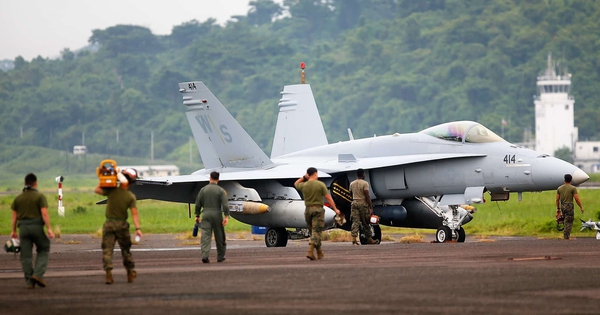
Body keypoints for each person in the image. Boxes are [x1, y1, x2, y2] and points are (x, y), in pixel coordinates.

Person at [94, 168, 142, 284]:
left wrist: (104, 179)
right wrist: (138, 229)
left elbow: (97, 190)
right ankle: (130, 273)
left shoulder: (112, 191)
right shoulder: (130, 196)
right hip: (122, 226)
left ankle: (109, 274)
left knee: (107, 250)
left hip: (109, 225)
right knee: (125, 250)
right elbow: (134, 213)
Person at [10, 173, 55, 289]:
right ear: (35, 183)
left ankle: (29, 281)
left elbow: (14, 216)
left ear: (25, 183)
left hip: (23, 229)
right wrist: (49, 229)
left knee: (25, 256)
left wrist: (13, 231)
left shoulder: (18, 198)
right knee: (44, 247)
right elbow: (44, 213)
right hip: (36, 227)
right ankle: (38, 274)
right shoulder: (39, 197)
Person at [294, 167, 341, 260]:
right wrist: (335, 209)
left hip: (307, 210)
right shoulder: (320, 185)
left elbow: (296, 184)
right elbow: (328, 197)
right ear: (315, 173)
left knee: (313, 232)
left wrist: (304, 177)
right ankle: (310, 251)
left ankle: (319, 252)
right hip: (318, 210)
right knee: (316, 232)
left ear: (308, 174)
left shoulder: (304, 185)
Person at [195, 171, 229, 263]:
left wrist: (197, 215)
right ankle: (220, 256)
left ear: (210, 178)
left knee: (205, 236)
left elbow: (198, 204)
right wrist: (226, 216)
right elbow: (225, 205)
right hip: (217, 214)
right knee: (220, 236)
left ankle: (205, 255)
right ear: (218, 179)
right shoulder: (221, 191)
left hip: (205, 214)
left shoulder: (203, 190)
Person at [349, 168, 379, 245]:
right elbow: (367, 196)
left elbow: (350, 194)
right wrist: (371, 207)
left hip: (354, 202)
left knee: (355, 221)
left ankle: (354, 240)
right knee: (365, 222)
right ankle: (369, 239)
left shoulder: (352, 183)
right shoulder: (365, 183)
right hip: (362, 203)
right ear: (363, 174)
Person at [556, 174, 584, 240]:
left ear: (564, 179)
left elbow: (557, 199)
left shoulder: (559, 188)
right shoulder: (573, 188)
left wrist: (558, 209)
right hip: (569, 206)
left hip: (563, 206)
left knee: (565, 220)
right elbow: (576, 198)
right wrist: (581, 207)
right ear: (571, 180)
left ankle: (566, 235)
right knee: (569, 222)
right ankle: (566, 237)